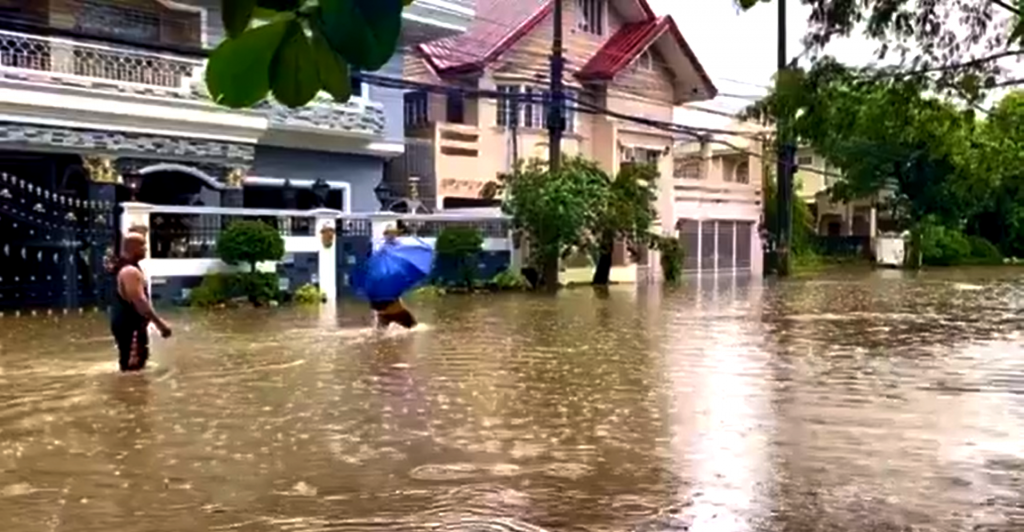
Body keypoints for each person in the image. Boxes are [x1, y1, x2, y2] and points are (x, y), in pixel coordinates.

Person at [111, 232, 171, 372]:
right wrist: (160, 325)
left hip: (127, 324)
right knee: (133, 370)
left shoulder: (126, 267)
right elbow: (140, 302)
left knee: (131, 366)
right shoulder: (130, 272)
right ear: (132, 247)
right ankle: (127, 393)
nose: (146, 249)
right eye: (143, 245)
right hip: (130, 326)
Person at [369, 227, 418, 330]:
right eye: (392, 234)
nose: (395, 237)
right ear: (387, 235)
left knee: (381, 328)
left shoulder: (384, 247)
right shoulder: (384, 249)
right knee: (413, 327)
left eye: (395, 234)